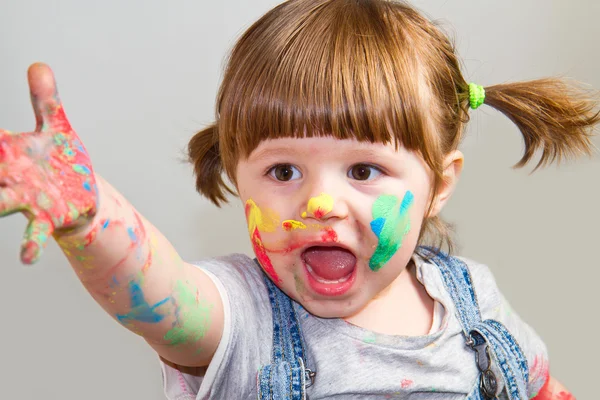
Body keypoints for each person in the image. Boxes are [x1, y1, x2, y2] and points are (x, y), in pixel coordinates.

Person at [0, 0, 595, 398]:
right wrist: (89, 216)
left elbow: (542, 389)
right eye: (284, 170)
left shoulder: (475, 300)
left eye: (363, 169)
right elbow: (161, 297)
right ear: (240, 177)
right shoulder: (245, 318)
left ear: (439, 185)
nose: (320, 203)